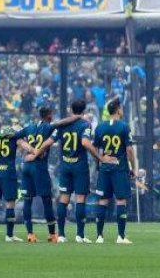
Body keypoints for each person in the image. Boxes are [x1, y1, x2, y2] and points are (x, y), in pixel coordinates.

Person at [52, 100, 115, 243]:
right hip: (79, 167)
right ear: (84, 110)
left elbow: (50, 141)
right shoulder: (85, 125)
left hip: (65, 166)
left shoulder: (62, 125)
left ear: (70, 109)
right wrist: (100, 157)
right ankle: (80, 235)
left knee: (64, 198)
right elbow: (85, 143)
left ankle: (61, 235)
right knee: (80, 199)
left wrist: (36, 151)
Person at [92, 98, 136, 244]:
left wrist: (100, 160)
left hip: (105, 169)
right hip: (119, 168)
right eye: (121, 108)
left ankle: (99, 236)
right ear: (117, 110)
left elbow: (95, 148)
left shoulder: (100, 127)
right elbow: (129, 150)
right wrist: (133, 167)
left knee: (103, 200)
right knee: (121, 200)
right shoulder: (124, 127)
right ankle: (121, 236)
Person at [20, 107, 60, 242]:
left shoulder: (29, 127)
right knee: (47, 200)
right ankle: (52, 235)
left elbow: (17, 139)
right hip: (39, 167)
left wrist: (29, 150)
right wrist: (36, 152)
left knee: (27, 200)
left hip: (26, 167)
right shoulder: (49, 127)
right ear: (49, 115)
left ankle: (30, 234)